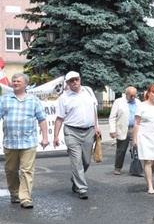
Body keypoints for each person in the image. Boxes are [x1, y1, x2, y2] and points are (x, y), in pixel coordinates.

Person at [0, 73, 48, 208]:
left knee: (27, 170)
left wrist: (45, 137)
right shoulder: (4, 99)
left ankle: (25, 198)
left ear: (25, 84)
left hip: (28, 142)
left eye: (18, 81)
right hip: (10, 142)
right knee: (10, 170)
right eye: (14, 81)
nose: (15, 83)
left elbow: (42, 119)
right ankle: (15, 194)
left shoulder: (33, 100)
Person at [53, 71, 100, 200]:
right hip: (72, 131)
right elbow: (59, 118)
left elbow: (94, 110)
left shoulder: (88, 91)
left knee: (86, 161)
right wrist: (56, 136)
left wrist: (96, 127)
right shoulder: (64, 97)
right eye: (71, 80)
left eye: (76, 79)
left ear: (80, 79)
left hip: (89, 131)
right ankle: (82, 188)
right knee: (77, 160)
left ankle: (76, 179)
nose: (75, 82)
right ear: (67, 83)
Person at [132, 84, 154, 194]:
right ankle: (150, 185)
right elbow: (136, 123)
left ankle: (148, 175)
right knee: (148, 162)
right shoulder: (142, 106)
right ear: (148, 93)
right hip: (144, 135)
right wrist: (134, 139)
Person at [108, 86, 139, 176]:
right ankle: (118, 167)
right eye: (131, 96)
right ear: (126, 94)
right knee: (121, 150)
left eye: (134, 95)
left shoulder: (138, 103)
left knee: (135, 149)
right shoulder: (118, 102)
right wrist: (112, 130)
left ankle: (135, 168)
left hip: (135, 129)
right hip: (122, 128)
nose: (133, 98)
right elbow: (112, 117)